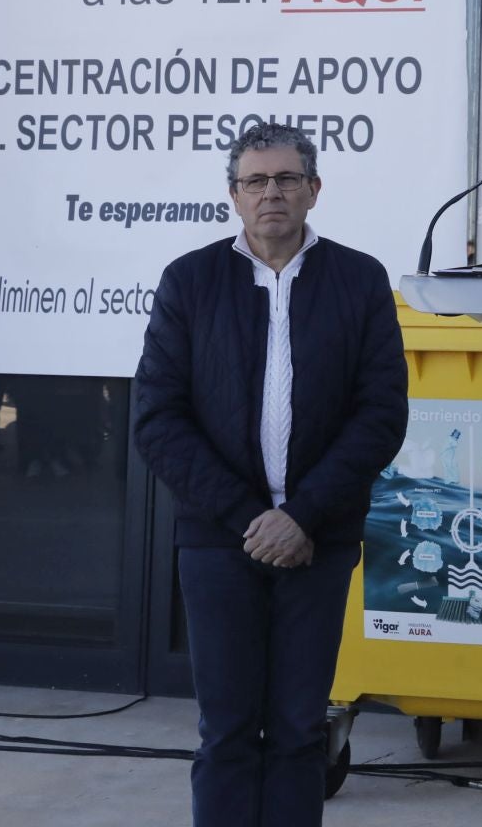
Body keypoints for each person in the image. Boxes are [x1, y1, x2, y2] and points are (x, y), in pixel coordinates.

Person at [132, 122, 407, 827]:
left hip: (319, 541)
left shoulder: (360, 279)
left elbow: (380, 416)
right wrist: (251, 520)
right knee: (226, 733)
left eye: (287, 179)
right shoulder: (189, 281)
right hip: (221, 542)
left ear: (315, 191)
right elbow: (157, 418)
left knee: (296, 733)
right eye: (256, 181)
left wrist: (302, 516)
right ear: (233, 195)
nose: (272, 194)